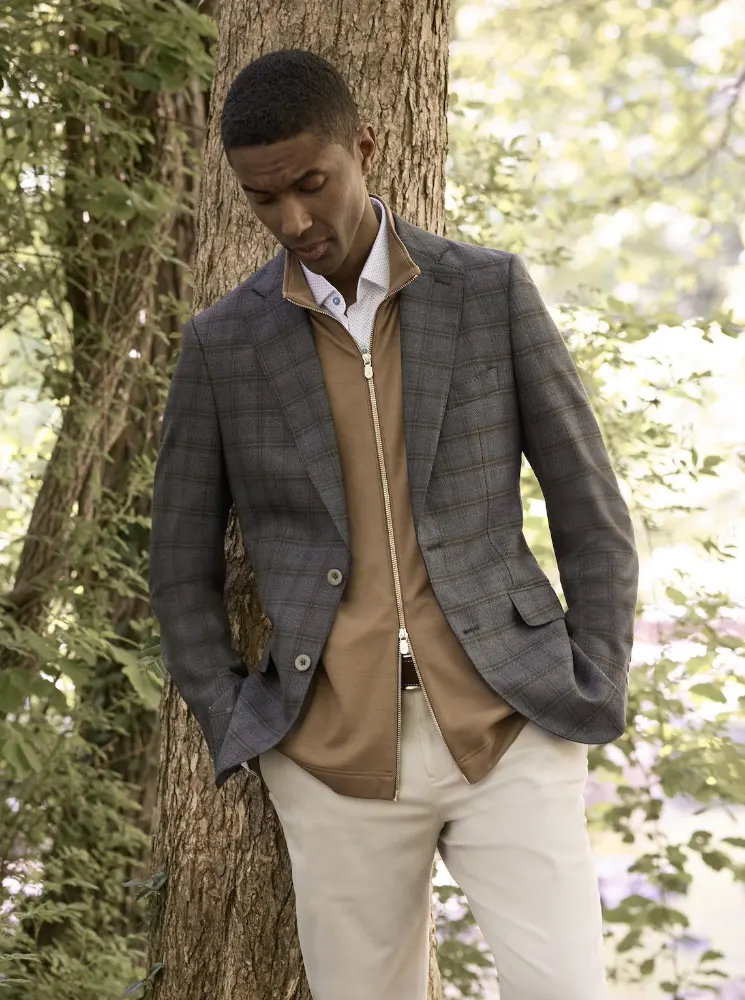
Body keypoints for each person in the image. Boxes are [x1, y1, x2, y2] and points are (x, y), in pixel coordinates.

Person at [149, 48, 638, 1000]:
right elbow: (178, 567)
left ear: (364, 148)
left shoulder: (487, 293)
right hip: (330, 755)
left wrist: (593, 682)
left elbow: (591, 510)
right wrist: (244, 729)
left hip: (510, 726)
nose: (293, 220)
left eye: (311, 185)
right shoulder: (222, 346)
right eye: (263, 200)